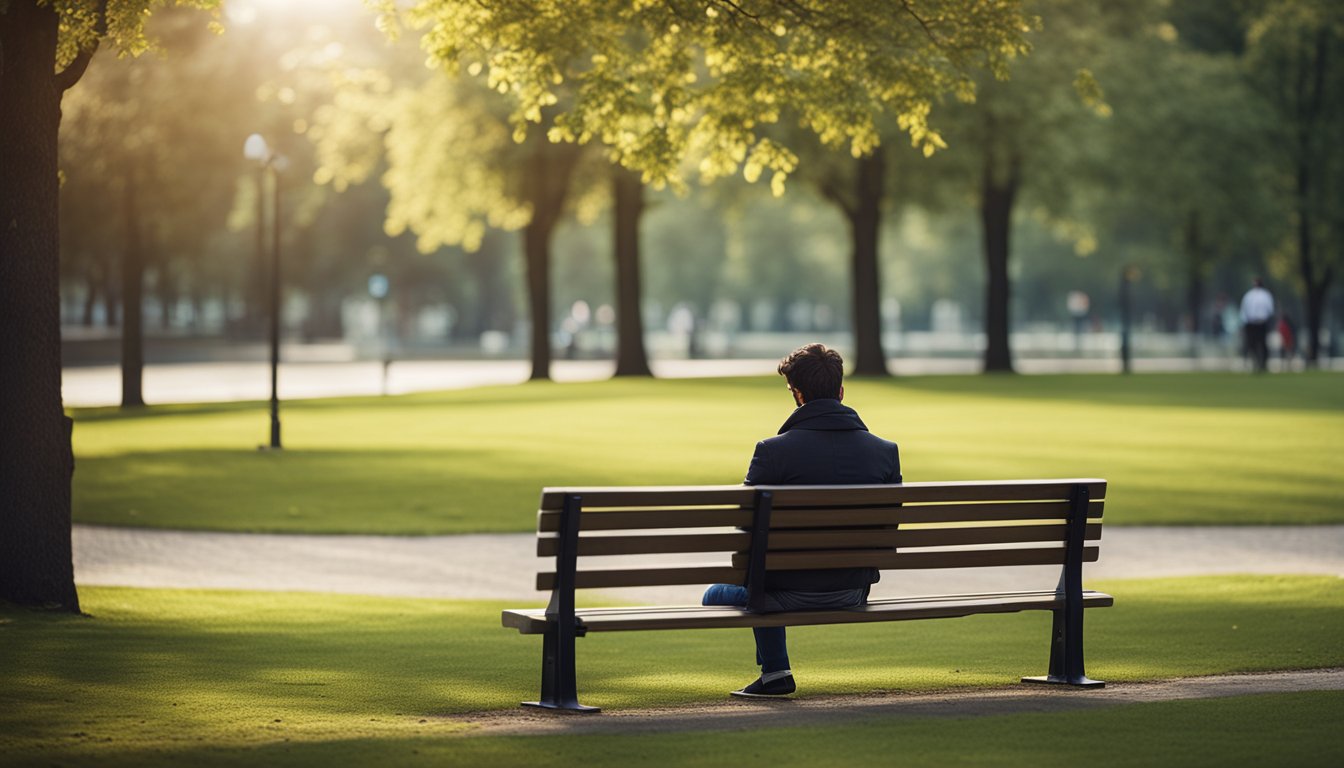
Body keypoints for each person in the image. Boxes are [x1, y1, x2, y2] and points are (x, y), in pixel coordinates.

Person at [702, 342, 901, 698]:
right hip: (852, 590)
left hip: (784, 594)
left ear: (797, 395)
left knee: (716, 593)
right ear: (841, 392)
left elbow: (746, 535)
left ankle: (776, 671)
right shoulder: (885, 453)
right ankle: (774, 671)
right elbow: (888, 530)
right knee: (762, 580)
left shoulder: (772, 452)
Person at [1240, 278, 1275, 372]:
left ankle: (1262, 363)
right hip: (1256, 322)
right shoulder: (1263, 295)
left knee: (1258, 344)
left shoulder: (1251, 295)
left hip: (1257, 322)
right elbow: (1270, 310)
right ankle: (1258, 362)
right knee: (1256, 344)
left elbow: (1243, 310)